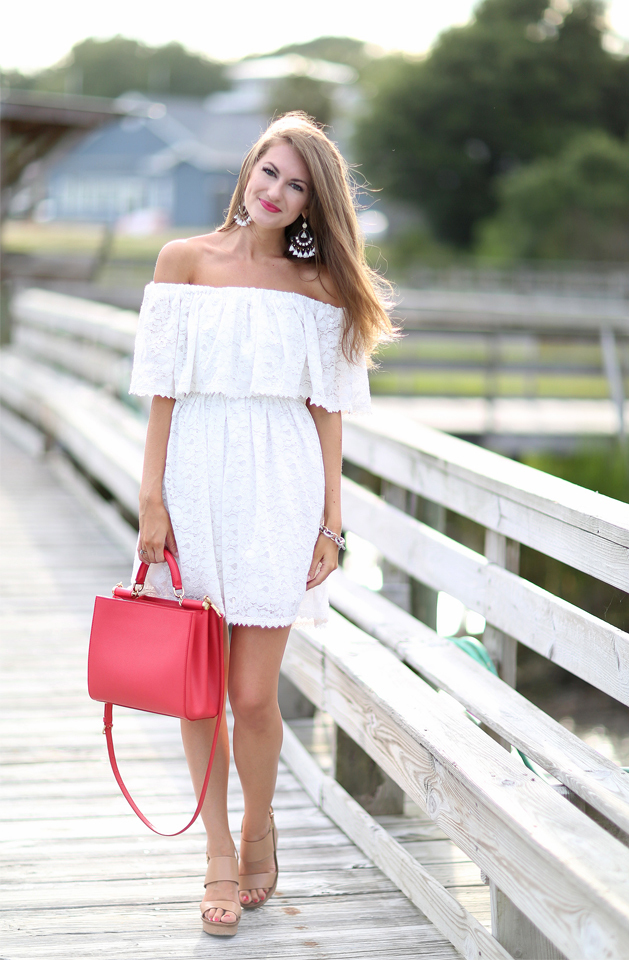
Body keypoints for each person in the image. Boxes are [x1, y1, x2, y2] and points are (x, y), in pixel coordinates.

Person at [128, 112, 394, 937]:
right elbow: (162, 390)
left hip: (281, 486)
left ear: (315, 206)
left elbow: (328, 412)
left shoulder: (320, 291)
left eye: (297, 185)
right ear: (248, 170)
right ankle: (215, 853)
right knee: (198, 683)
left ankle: (258, 827)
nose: (275, 192)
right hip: (195, 480)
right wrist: (151, 498)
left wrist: (332, 523)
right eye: (268, 172)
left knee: (251, 693)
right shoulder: (185, 262)